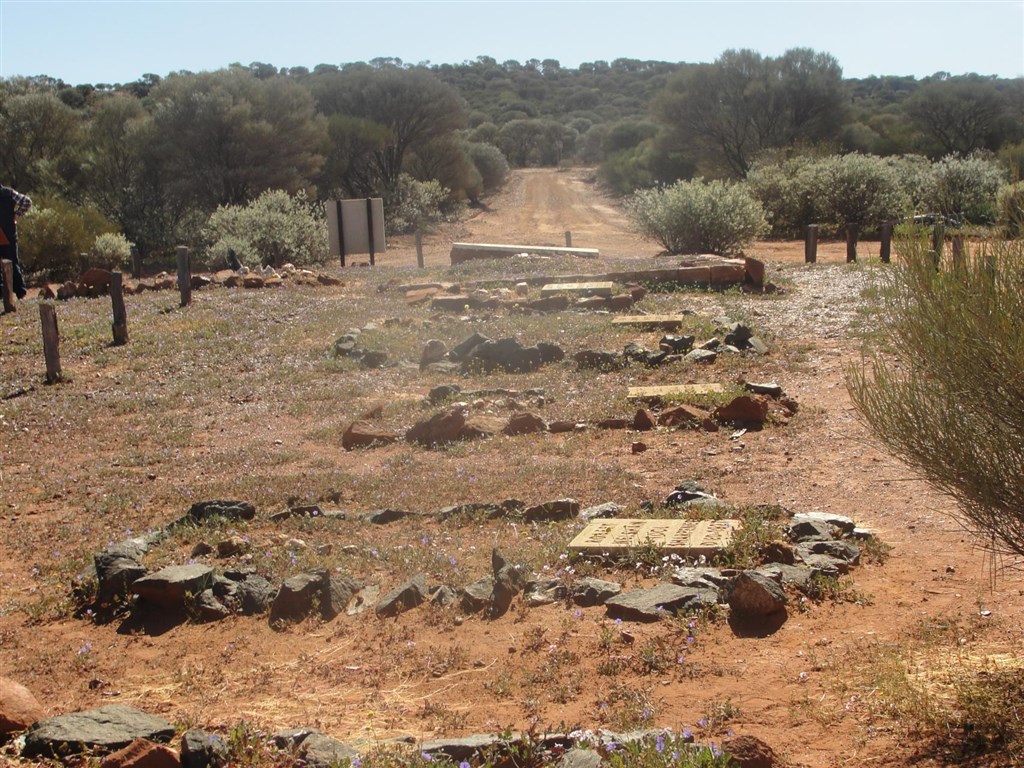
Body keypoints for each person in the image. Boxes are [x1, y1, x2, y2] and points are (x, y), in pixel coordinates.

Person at [0, 183, 32, 299]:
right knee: (12, 263)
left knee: (13, 263)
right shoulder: (8, 193)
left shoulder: (8, 193)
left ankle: (20, 292)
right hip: (8, 233)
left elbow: (26, 201)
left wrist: (17, 214)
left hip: (8, 234)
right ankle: (7, 293)